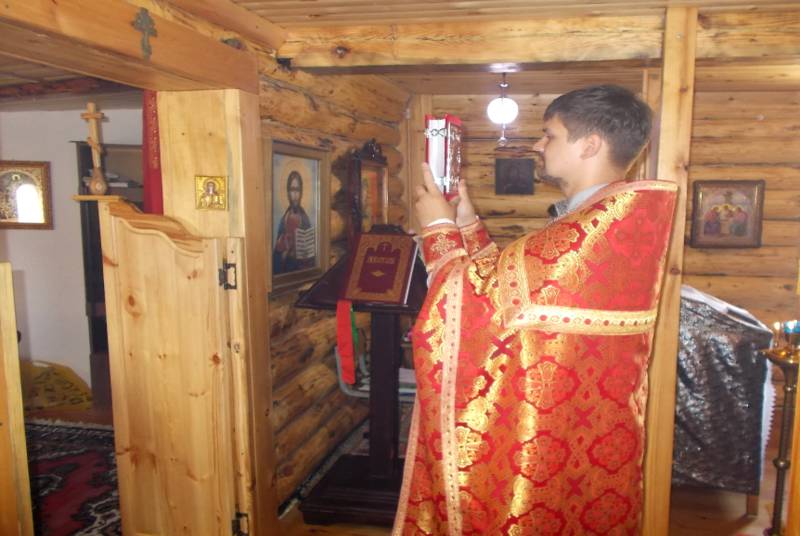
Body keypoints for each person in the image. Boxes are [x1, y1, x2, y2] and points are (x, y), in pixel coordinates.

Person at [394, 85, 678, 535]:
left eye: (550, 135)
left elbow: (473, 308)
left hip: (549, 430)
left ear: (590, 144)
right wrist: (467, 226)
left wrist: (438, 227)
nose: (538, 145)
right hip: (577, 424)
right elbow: (516, 297)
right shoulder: (608, 220)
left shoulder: (591, 229)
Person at [273, 170, 313, 274]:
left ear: (301, 192)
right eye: (292, 190)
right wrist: (281, 250)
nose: (295, 195)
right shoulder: (284, 220)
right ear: (288, 193)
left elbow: (311, 256)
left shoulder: (305, 220)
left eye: (297, 190)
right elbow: (276, 258)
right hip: (285, 271)